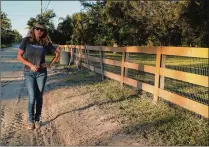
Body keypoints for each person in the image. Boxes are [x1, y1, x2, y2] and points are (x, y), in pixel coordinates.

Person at [17, 22, 60, 130]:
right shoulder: (26, 40)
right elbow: (19, 57)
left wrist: (49, 64)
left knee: (39, 96)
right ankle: (31, 120)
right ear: (33, 29)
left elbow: (57, 54)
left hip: (41, 73)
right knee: (32, 97)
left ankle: (38, 119)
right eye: (37, 29)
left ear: (44, 32)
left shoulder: (45, 42)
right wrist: (31, 65)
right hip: (29, 73)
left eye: (42, 30)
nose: (39, 31)